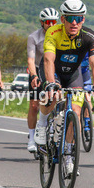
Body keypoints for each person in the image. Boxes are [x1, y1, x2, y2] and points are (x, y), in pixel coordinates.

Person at [37, 0, 94, 179]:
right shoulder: (53, 32)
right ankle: (42, 124)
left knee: (76, 111)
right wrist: (51, 83)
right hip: (53, 71)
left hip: (73, 74)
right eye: (70, 18)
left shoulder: (90, 36)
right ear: (62, 19)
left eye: (79, 18)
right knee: (51, 95)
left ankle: (68, 156)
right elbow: (48, 60)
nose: (74, 22)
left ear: (83, 19)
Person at [25, 8, 58, 152]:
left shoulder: (59, 35)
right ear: (42, 22)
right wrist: (33, 75)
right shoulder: (34, 37)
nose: (51, 24)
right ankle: (32, 138)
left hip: (55, 69)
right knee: (34, 105)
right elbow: (31, 60)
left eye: (53, 22)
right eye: (48, 22)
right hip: (38, 69)